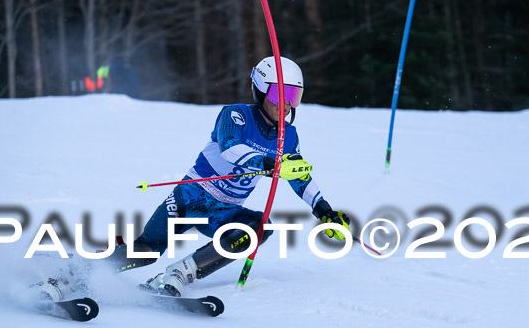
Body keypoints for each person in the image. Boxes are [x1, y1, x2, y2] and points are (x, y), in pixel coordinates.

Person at [102, 56, 350, 297]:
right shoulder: (235, 115)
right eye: (278, 95)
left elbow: (299, 176)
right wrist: (271, 164)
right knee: (148, 249)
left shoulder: (289, 137)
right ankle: (86, 269)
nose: (284, 105)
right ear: (261, 92)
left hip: (225, 213)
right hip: (189, 198)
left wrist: (324, 210)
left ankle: (180, 273)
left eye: (292, 97)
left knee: (260, 227)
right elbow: (230, 147)